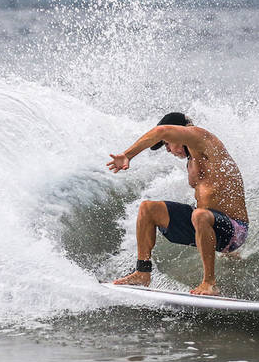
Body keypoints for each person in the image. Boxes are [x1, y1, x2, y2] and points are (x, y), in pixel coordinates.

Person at [107, 112, 249, 296]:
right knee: (147, 209)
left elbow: (162, 130)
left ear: (179, 134)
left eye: (167, 144)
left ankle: (209, 284)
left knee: (199, 214)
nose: (167, 149)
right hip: (212, 225)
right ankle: (142, 273)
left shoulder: (201, 138)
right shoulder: (192, 161)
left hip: (235, 229)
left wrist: (127, 155)